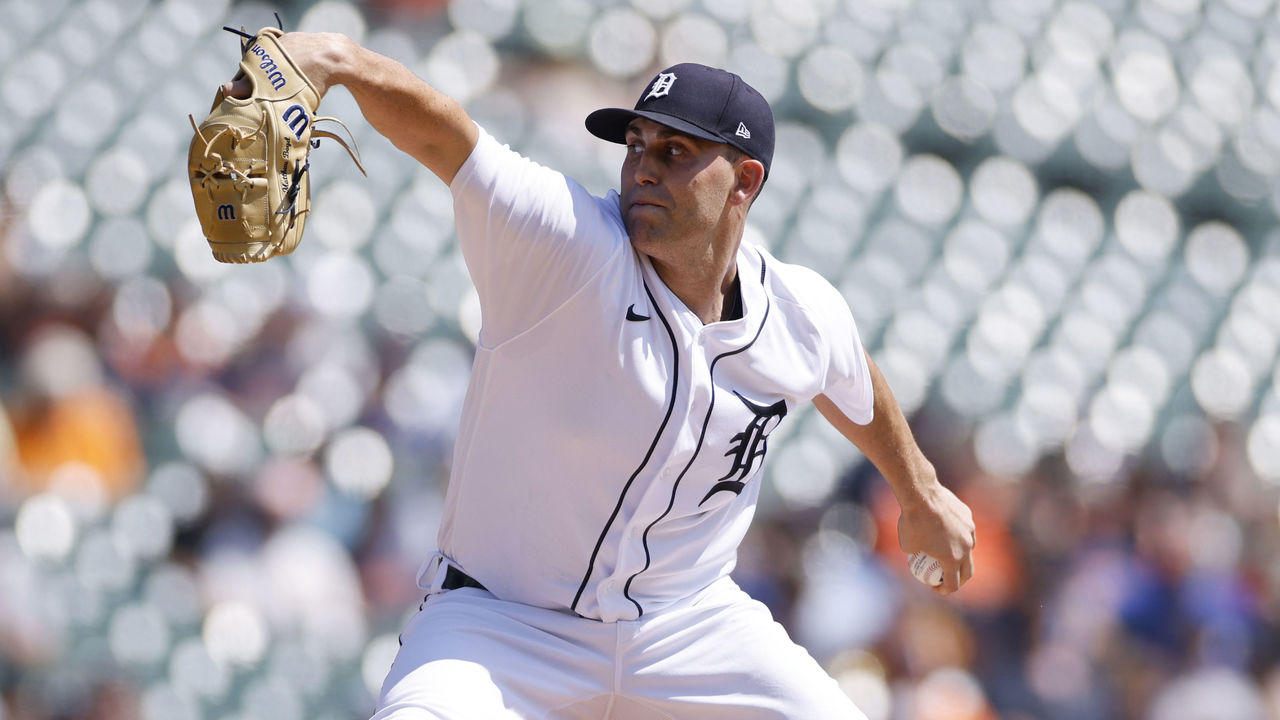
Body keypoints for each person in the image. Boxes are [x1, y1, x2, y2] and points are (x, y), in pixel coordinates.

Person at [224, 31, 976, 720]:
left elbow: (851, 378)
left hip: (689, 630)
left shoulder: (798, 311)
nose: (643, 169)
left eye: (674, 154)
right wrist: (338, 62)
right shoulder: (568, 247)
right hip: (500, 624)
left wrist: (920, 491)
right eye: (636, 146)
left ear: (744, 182)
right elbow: (445, 138)